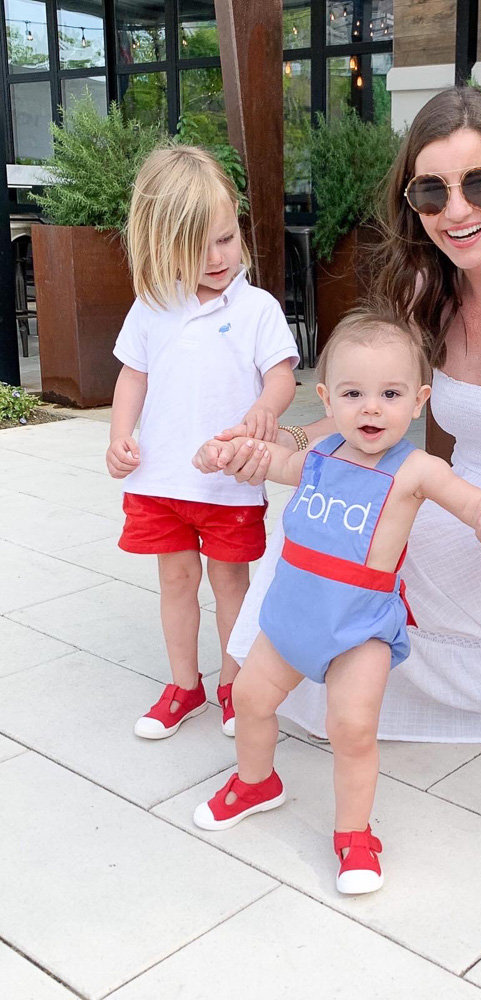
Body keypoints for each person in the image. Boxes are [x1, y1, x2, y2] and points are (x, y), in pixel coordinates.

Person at [212, 87, 481, 743]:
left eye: (478, 184)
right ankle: (251, 682)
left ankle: (252, 679)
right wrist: (287, 437)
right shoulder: (429, 290)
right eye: (430, 192)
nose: (455, 211)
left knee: (353, 528)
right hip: (460, 504)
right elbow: (372, 404)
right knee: (320, 507)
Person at [191, 312, 481, 894]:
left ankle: (354, 832)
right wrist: (222, 455)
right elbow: (272, 462)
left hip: (360, 628)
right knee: (250, 699)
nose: (371, 408)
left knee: (351, 729)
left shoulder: (418, 469)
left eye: (390, 394)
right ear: (326, 398)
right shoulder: (321, 453)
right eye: (353, 394)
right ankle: (255, 782)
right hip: (294, 615)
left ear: (420, 401)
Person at [106, 145, 299, 740]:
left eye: (226, 238)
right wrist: (119, 436)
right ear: (162, 246)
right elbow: (132, 375)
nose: (217, 258)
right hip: (162, 479)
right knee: (176, 581)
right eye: (197, 248)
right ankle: (184, 685)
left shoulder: (256, 307)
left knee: (230, 584)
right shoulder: (152, 306)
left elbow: (282, 373)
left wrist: (267, 408)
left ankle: (235, 686)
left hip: (227, 479)